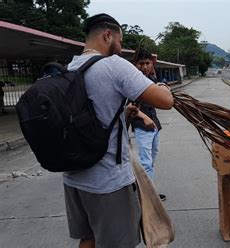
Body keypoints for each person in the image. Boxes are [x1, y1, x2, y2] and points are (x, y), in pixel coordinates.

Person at [63, 13, 173, 248]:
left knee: (88, 238)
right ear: (107, 35)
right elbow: (165, 101)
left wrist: (122, 115)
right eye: (120, 41)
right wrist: (162, 85)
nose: (121, 48)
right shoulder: (114, 66)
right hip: (107, 181)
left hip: (73, 177)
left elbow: (90, 114)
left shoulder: (70, 67)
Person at [130, 49, 166, 201]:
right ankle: (148, 197)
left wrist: (163, 88)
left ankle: (146, 189)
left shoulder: (151, 79)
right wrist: (143, 117)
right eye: (141, 64)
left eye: (147, 63)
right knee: (146, 161)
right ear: (135, 65)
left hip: (154, 125)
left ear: (152, 64)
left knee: (151, 158)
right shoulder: (132, 81)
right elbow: (129, 105)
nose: (144, 67)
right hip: (142, 126)